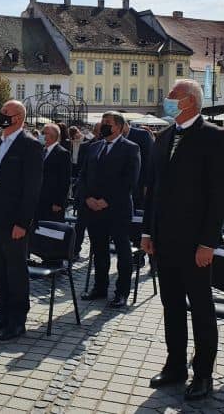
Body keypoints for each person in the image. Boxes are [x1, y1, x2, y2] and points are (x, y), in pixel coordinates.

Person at [141, 79, 224, 401]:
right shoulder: (164, 137)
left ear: (190, 100)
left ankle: (203, 372)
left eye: (173, 96)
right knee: (172, 306)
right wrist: (148, 231)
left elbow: (219, 194)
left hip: (196, 242)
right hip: (164, 239)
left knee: (201, 307)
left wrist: (209, 242)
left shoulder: (215, 137)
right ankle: (175, 364)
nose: (167, 99)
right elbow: (153, 189)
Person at [0, 100, 43, 341]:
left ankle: (17, 321)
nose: (2, 115)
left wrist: (23, 222)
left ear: (18, 117)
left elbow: (32, 188)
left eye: (6, 112)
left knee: (16, 271)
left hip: (15, 222)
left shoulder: (30, 145)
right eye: (2, 110)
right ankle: (2, 315)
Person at [78, 111, 140, 308]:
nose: (103, 125)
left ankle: (121, 292)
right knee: (99, 250)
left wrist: (107, 201)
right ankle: (100, 287)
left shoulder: (131, 148)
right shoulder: (94, 147)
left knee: (123, 252)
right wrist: (87, 197)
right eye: (102, 122)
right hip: (93, 209)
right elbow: (84, 175)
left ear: (119, 127)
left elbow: (129, 181)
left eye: (108, 123)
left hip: (117, 209)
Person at [73, 122, 102, 257]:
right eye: (97, 130)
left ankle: (96, 251)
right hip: (85, 195)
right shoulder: (86, 146)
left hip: (101, 197)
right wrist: (84, 195)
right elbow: (81, 171)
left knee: (98, 230)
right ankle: (75, 250)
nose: (99, 133)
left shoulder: (109, 147)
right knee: (80, 225)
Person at [36, 123, 71, 223]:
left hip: (53, 202)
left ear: (52, 135)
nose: (41, 135)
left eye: (43, 133)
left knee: (51, 232)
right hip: (40, 199)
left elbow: (64, 180)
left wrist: (58, 202)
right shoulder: (42, 151)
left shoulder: (62, 153)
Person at [123, 120, 154, 210]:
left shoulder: (142, 135)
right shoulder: (117, 136)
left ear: (124, 124)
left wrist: (146, 184)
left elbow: (149, 160)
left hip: (140, 182)